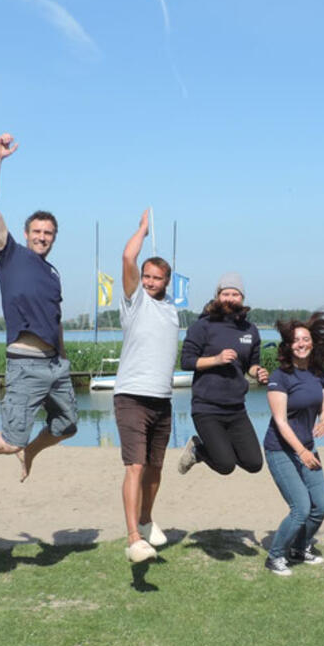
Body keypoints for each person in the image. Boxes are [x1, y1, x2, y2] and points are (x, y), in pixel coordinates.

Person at [0, 133, 78, 481]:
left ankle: (31, 452)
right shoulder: (11, 256)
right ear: (26, 233)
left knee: (67, 425)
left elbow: (56, 320)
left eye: (48, 233)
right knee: (9, 441)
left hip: (55, 364)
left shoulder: (53, 274)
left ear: (54, 237)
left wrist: (64, 359)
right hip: (25, 364)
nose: (42, 237)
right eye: (37, 231)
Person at [115, 209, 179, 563]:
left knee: (155, 468)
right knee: (135, 466)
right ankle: (133, 538)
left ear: (167, 281)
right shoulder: (134, 300)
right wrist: (141, 229)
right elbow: (127, 257)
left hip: (162, 400)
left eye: (157, 278)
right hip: (131, 397)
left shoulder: (171, 309)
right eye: (147, 276)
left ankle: (147, 519)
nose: (150, 282)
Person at [262, 312, 324, 576]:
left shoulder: (318, 374)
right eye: (296, 340)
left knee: (320, 507)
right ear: (289, 345)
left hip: (308, 448)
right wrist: (301, 452)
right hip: (281, 449)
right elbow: (280, 421)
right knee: (300, 508)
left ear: (312, 343)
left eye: (306, 339)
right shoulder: (280, 377)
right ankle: (275, 556)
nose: (301, 344)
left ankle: (299, 548)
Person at [177, 274, 269, 475]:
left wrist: (258, 373)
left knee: (254, 463)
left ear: (242, 298)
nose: (230, 298)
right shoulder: (203, 326)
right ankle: (198, 449)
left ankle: (213, 449)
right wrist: (216, 360)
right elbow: (186, 361)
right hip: (207, 408)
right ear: (217, 296)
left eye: (235, 294)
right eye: (225, 294)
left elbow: (251, 364)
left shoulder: (250, 330)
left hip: (236, 409)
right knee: (226, 466)